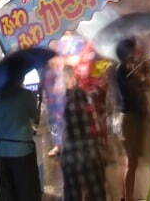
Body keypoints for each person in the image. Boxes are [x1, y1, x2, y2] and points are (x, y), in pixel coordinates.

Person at [59, 58, 110, 201]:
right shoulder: (83, 95)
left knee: (72, 195)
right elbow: (96, 123)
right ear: (72, 77)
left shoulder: (59, 100)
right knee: (96, 193)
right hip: (90, 153)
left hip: (70, 155)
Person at [0, 64, 42, 201]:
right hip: (22, 150)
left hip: (1, 151)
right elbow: (35, 116)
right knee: (26, 192)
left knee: (5, 193)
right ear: (21, 77)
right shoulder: (27, 95)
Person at [114, 38, 150, 201]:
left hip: (136, 118)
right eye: (132, 51)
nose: (135, 54)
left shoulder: (132, 68)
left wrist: (142, 76)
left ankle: (128, 195)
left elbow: (146, 86)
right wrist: (138, 78)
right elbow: (131, 93)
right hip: (130, 118)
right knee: (130, 161)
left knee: (134, 161)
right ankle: (126, 197)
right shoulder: (122, 70)